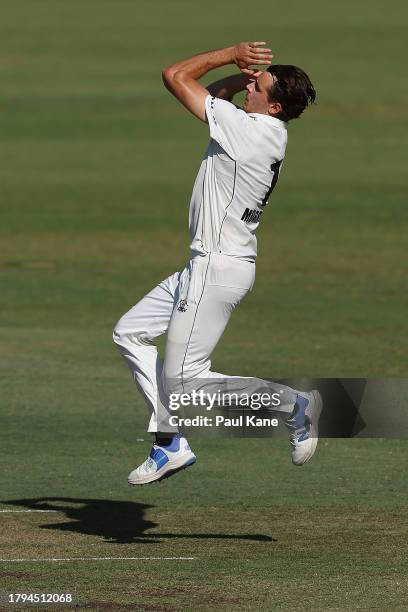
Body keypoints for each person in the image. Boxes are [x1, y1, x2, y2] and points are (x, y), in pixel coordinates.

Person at [113, 41, 321, 485]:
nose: (250, 86)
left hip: (216, 269)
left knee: (187, 383)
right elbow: (215, 98)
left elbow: (175, 76)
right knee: (130, 332)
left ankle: (293, 405)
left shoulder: (248, 131)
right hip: (207, 265)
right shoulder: (261, 129)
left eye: (258, 85)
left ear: (275, 104)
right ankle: (170, 442)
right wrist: (243, 77)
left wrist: (230, 55)